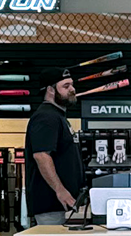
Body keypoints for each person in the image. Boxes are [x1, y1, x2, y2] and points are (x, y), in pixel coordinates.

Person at [25, 68, 87, 227]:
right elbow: (41, 156)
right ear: (50, 90)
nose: (73, 90)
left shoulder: (57, 116)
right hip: (50, 205)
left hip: (60, 205)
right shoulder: (46, 117)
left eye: (72, 85)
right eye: (66, 86)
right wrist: (60, 190)